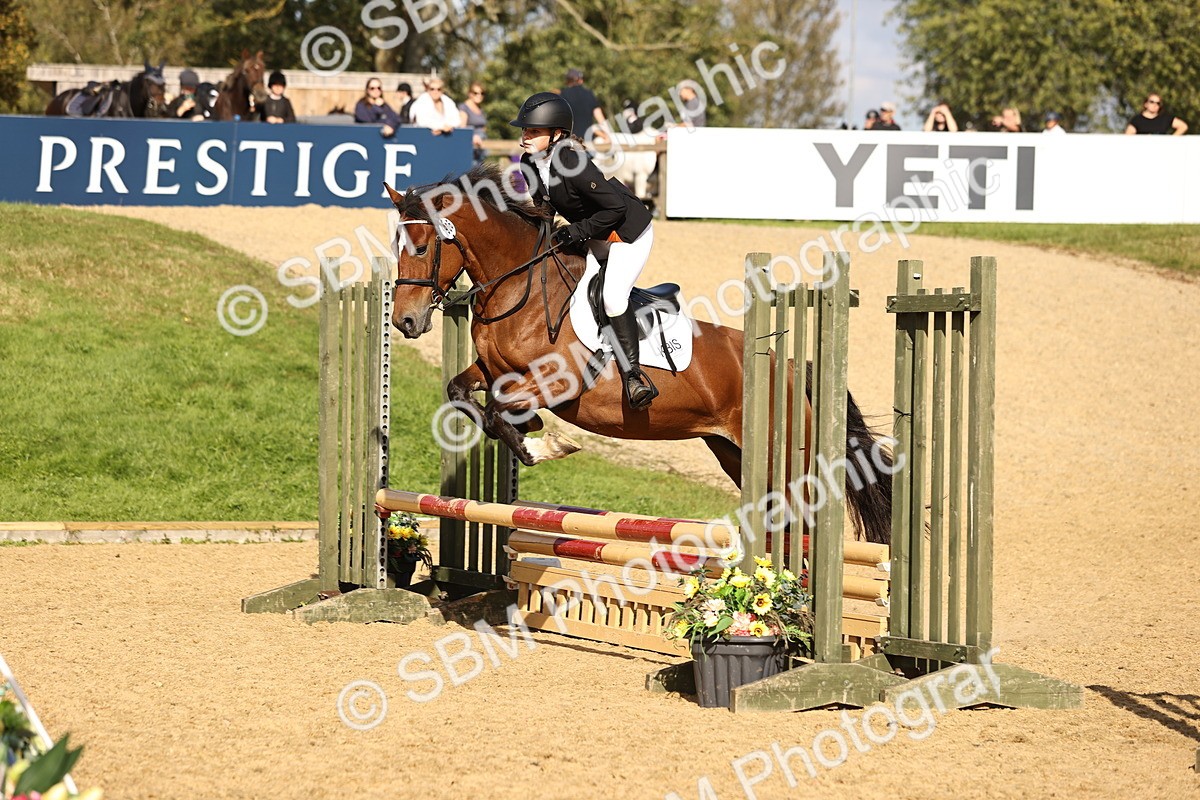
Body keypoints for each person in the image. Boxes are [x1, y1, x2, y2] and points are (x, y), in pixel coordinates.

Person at [511, 92, 657, 410]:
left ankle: (634, 377)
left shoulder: (572, 161)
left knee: (612, 297)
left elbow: (615, 207)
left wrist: (575, 232)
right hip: (593, 231)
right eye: (524, 130)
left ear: (556, 134)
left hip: (626, 233)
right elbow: (543, 210)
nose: (525, 136)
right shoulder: (528, 164)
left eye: (533, 131)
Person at [560, 68, 608, 142]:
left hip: (569, 143)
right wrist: (607, 136)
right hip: (588, 143)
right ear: (581, 80)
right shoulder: (589, 94)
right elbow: (600, 118)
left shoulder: (563, 95)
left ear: (567, 81)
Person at [458, 81, 488, 165]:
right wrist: (473, 136)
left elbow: (484, 126)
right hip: (471, 147)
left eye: (482, 93)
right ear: (470, 93)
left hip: (481, 148)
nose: (479, 95)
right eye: (476, 93)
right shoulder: (464, 107)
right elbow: (462, 128)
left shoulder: (480, 109)